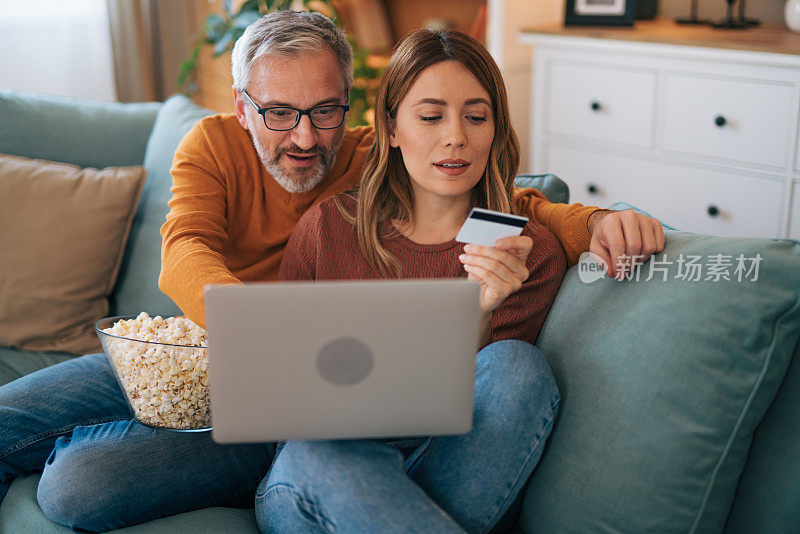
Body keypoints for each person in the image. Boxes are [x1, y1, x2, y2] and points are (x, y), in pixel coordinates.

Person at [0, 10, 664, 532]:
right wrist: (260, 331)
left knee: (483, 382)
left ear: (352, 108)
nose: (305, 137)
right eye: (278, 112)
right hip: (212, 353)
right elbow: (184, 249)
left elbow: (494, 193)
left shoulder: (375, 156)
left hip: (317, 418)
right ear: (242, 107)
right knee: (26, 428)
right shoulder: (213, 147)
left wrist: (597, 222)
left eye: (324, 111)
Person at [259, 27, 564, 533]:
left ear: (495, 129)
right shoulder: (329, 228)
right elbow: (281, 400)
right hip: (315, 474)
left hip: (441, 469)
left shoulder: (522, 252)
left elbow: (486, 422)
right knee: (324, 452)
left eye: (476, 116)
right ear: (392, 128)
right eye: (430, 116)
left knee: (517, 365)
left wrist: (481, 311)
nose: (456, 137)